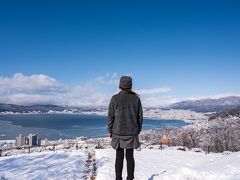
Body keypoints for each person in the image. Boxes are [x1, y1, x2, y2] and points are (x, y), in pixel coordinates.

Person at [107, 76, 143, 180]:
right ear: (130, 85)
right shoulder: (136, 98)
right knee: (130, 157)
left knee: (119, 157)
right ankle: (130, 178)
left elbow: (111, 116)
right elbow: (140, 117)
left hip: (117, 133)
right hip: (132, 133)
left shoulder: (115, 98)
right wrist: (137, 130)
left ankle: (118, 178)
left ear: (120, 85)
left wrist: (110, 130)